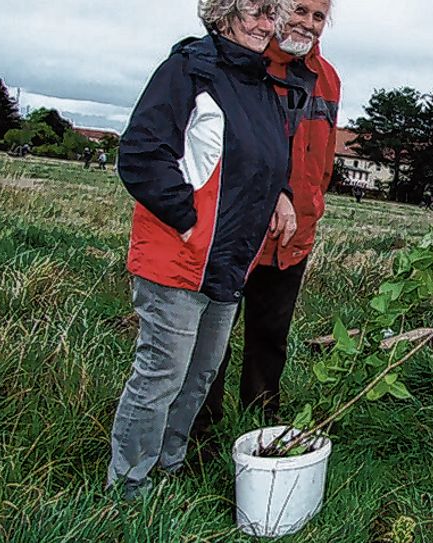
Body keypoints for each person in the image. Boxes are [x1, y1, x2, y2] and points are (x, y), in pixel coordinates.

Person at [107, 0, 298, 499]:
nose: (266, 25)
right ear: (223, 14)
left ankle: (168, 467)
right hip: (178, 257)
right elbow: (142, 154)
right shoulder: (188, 71)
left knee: (199, 377)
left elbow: (265, 161)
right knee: (161, 375)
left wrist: (283, 195)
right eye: (256, 12)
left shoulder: (262, 87)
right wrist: (186, 219)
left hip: (231, 262)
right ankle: (128, 487)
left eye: (271, 15)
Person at [195, 0, 340, 433]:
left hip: (296, 235)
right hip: (239, 228)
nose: (308, 24)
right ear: (275, 10)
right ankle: (201, 427)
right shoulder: (248, 62)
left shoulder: (326, 78)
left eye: (318, 17)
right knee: (213, 337)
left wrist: (311, 198)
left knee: (271, 335)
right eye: (299, 10)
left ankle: (261, 425)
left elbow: (325, 156)